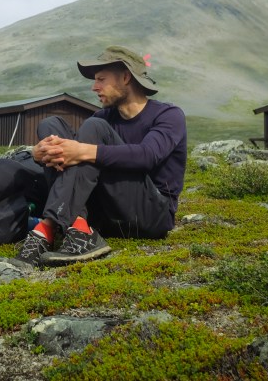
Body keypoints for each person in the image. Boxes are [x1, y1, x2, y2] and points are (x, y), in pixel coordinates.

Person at [15, 46, 187, 267]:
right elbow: (74, 163)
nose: (94, 87)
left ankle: (48, 227)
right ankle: (79, 227)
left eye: (101, 79)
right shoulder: (104, 116)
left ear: (126, 77)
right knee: (52, 125)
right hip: (106, 214)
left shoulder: (169, 115)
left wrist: (83, 151)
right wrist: (38, 154)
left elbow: (148, 155)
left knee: (93, 129)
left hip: (151, 215)